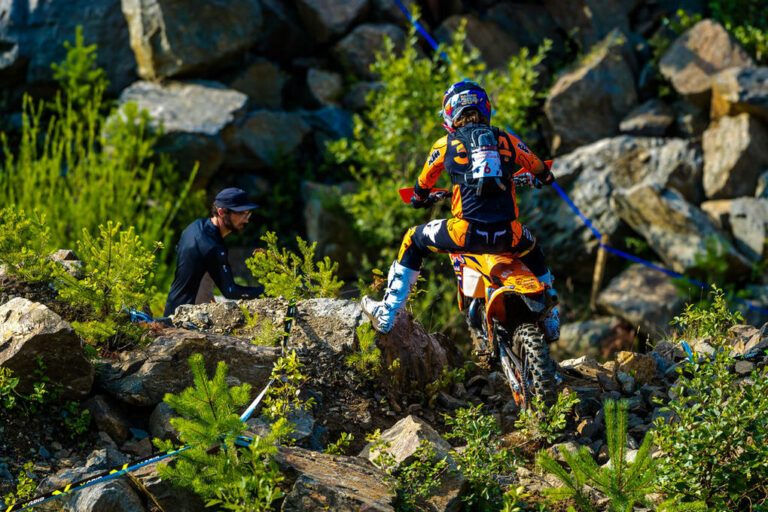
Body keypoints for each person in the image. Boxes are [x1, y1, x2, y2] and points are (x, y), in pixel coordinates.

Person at [362, 80, 560, 342]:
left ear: (449, 113)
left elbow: (422, 185)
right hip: (508, 234)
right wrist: (541, 178)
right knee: (533, 250)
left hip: (465, 233)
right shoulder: (507, 140)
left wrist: (420, 198)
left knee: (413, 239)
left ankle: (386, 314)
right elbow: (541, 170)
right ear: (485, 107)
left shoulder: (444, 145)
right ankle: (550, 319)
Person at [164, 187, 264, 316]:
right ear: (221, 212)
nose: (246, 220)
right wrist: (263, 291)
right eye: (241, 214)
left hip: (172, 307)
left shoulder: (195, 227)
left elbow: (190, 261)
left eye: (248, 213)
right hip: (185, 318)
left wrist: (206, 290)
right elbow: (230, 290)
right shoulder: (212, 246)